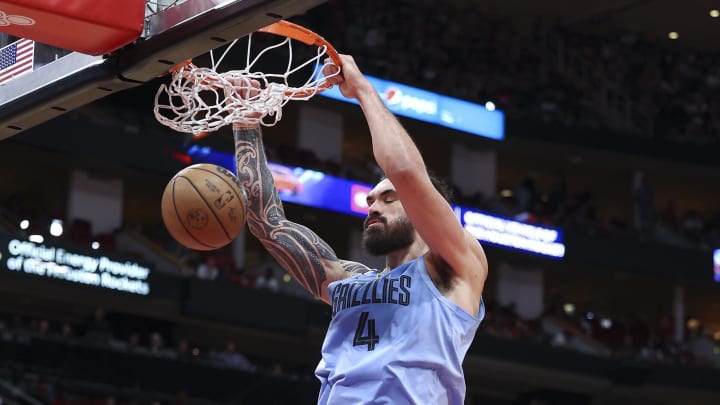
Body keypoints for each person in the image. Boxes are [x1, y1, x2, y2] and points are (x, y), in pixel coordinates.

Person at [232, 54, 488, 404]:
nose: (372, 206)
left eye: (388, 198)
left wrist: (362, 91)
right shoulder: (348, 281)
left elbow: (404, 170)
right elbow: (267, 222)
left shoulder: (454, 267)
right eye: (369, 201)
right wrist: (246, 121)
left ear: (419, 208)